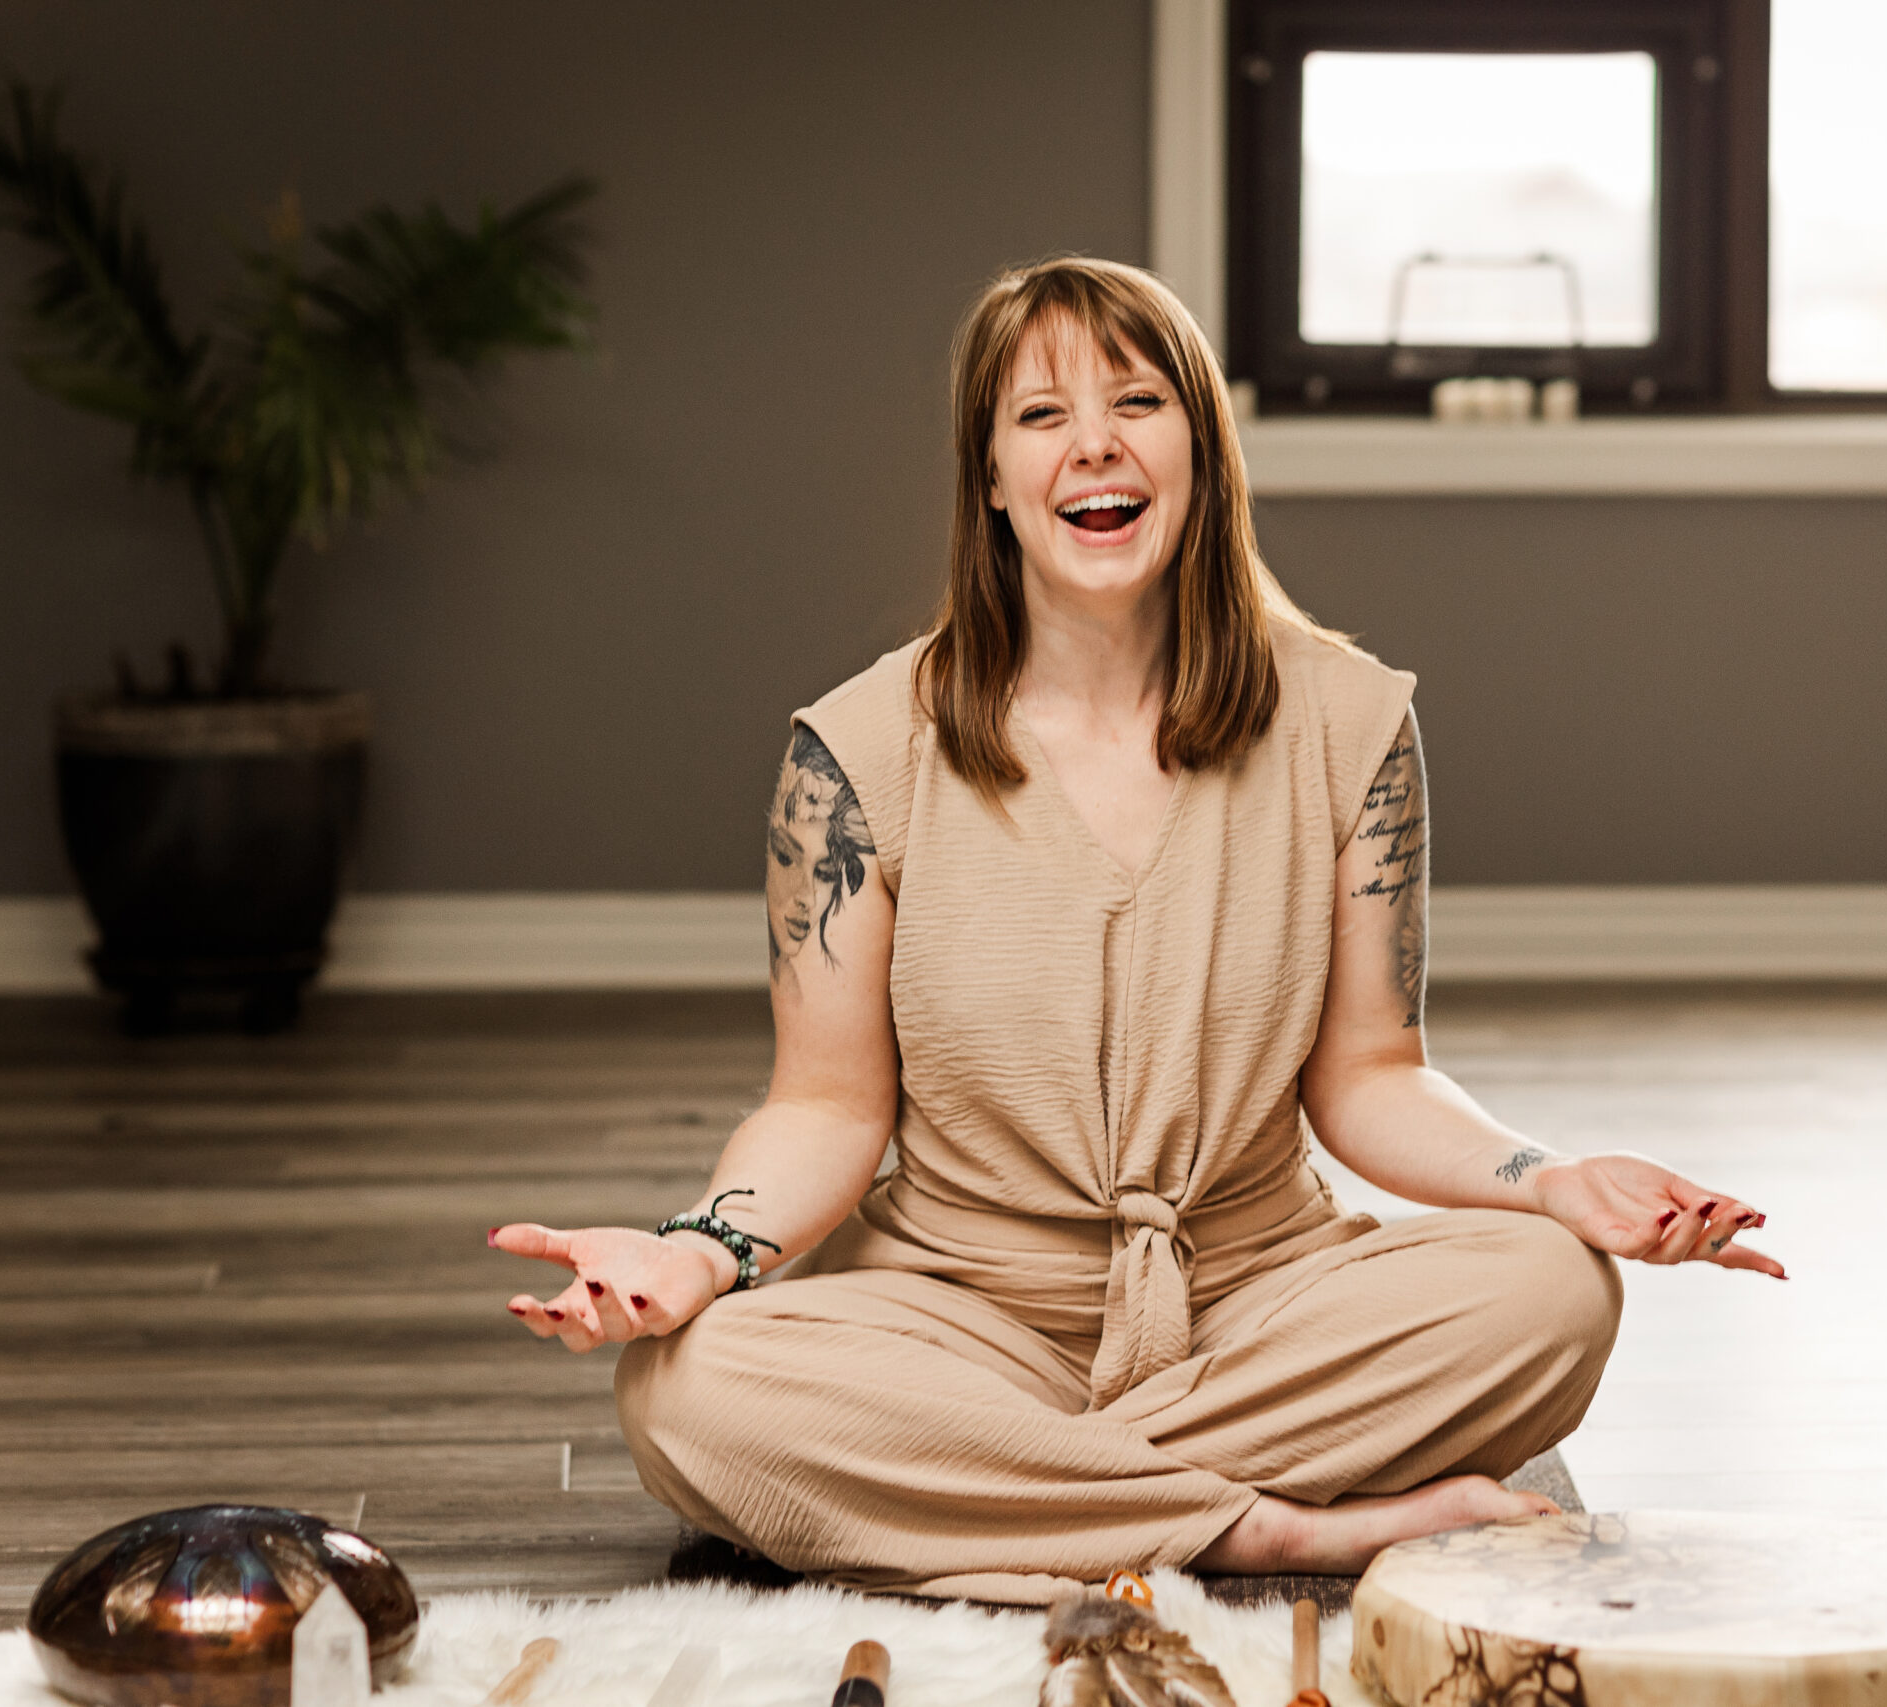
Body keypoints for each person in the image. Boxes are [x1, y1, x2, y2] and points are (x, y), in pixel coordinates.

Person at [491, 256, 1784, 1604]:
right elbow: (823, 1106)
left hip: (1256, 1297)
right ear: (988, 477)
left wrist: (1550, 1180)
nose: (1094, 444)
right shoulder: (858, 750)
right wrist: (697, 1252)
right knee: (691, 1389)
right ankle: (1265, 1529)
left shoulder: (1350, 723)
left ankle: (1011, 1498)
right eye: (1040, 416)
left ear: (1202, 450)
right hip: (959, 1311)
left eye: (1137, 401)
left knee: (1556, 1296)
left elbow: (1371, 1077)